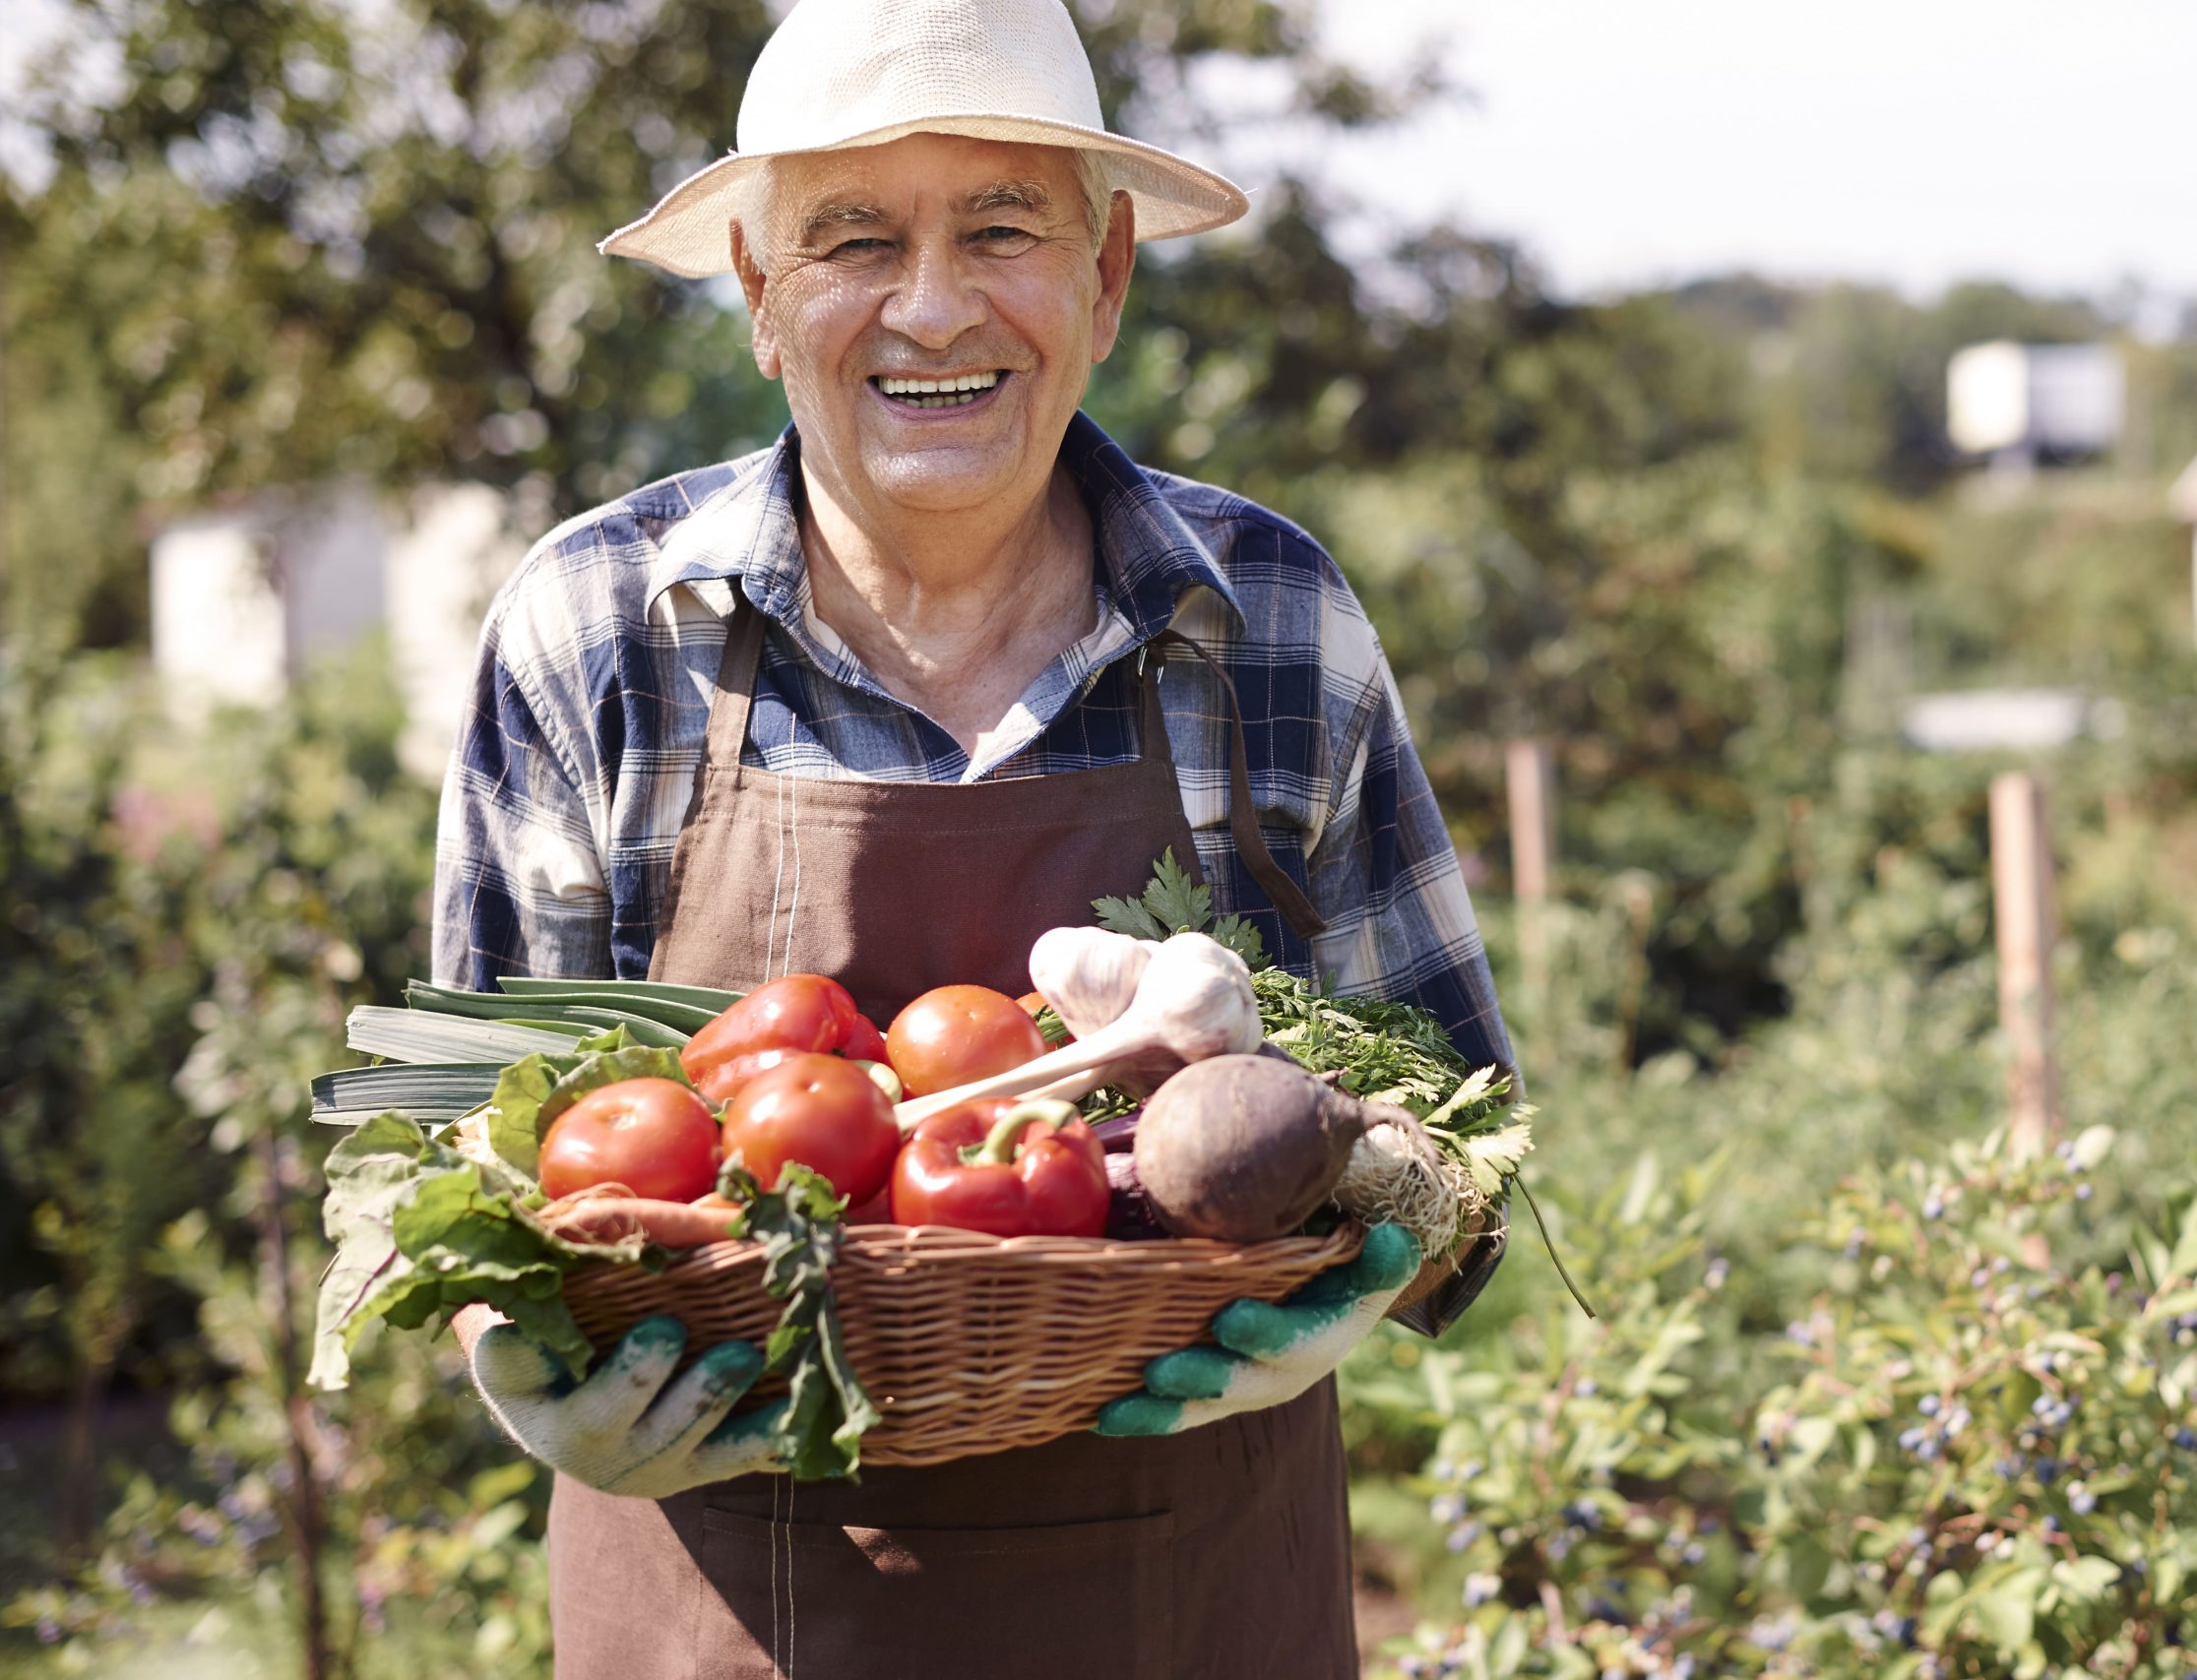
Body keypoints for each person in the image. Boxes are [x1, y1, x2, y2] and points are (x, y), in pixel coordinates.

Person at [432, 0, 1509, 1673]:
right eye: (852, 238)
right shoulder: (597, 629)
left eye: (1001, 227)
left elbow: (1464, 1132)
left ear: (1107, 276)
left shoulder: (1274, 623)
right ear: (760, 296)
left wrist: (1372, 1262)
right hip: (716, 1613)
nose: (931, 306)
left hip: (1199, 1611)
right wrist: (523, 1372)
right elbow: (473, 1173)